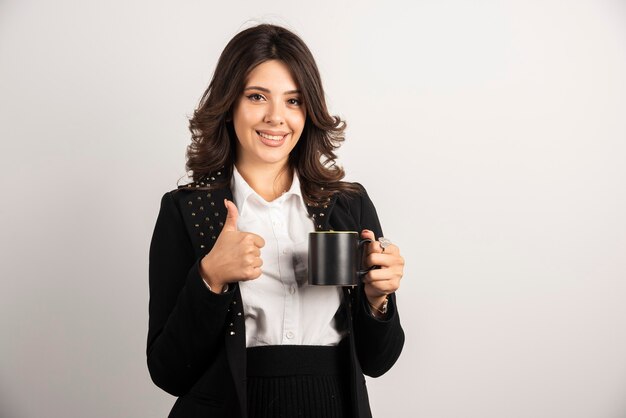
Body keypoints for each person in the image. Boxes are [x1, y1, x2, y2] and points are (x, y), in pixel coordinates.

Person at [147, 23, 405, 418]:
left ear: (309, 111)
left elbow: (378, 361)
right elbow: (167, 372)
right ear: (229, 104)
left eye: (293, 101)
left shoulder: (348, 205)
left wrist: (377, 299)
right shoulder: (186, 211)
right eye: (256, 97)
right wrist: (209, 279)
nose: (276, 117)